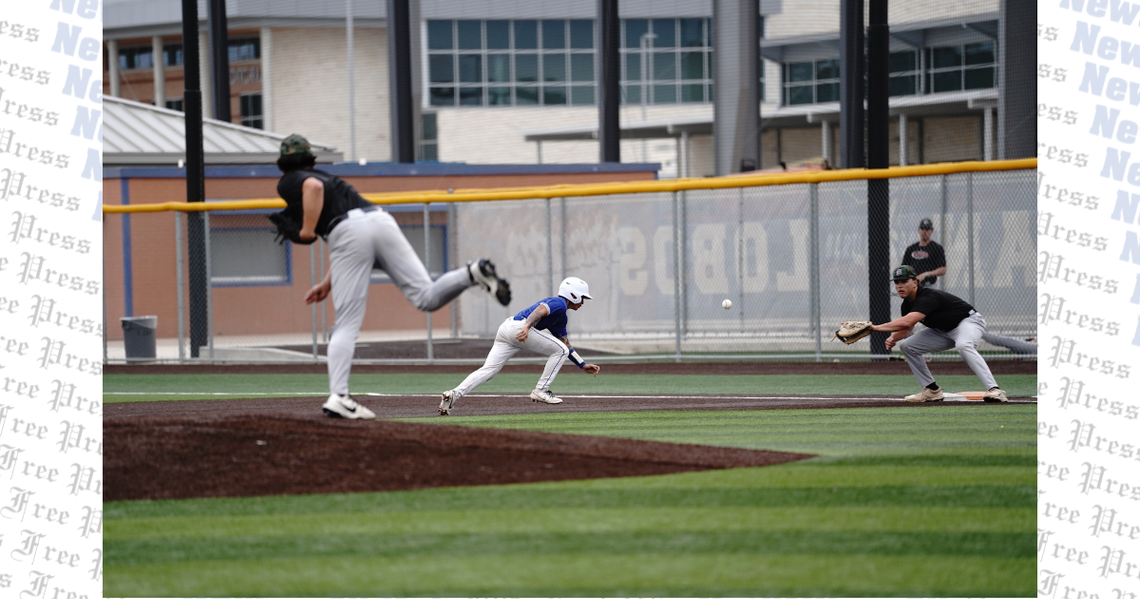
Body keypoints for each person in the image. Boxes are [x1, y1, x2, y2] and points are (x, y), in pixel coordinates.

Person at [274, 134, 512, 420]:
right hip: (378, 220)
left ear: (283, 163)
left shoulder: (291, 179)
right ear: (310, 159)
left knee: (346, 322)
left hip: (348, 233)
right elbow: (350, 234)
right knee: (426, 296)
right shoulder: (326, 177)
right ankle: (472, 273)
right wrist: (327, 283)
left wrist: (306, 230)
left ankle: (339, 397)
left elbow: (315, 195)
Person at [438, 277, 601, 415]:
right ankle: (541, 390)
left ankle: (453, 395)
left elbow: (565, 342)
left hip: (507, 329)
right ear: (572, 295)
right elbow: (541, 309)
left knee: (488, 370)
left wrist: (582, 364)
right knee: (560, 351)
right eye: (582, 297)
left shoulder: (560, 317)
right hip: (519, 328)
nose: (583, 302)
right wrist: (526, 326)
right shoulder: (559, 303)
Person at [870, 265, 1008, 403]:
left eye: (904, 281)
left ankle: (995, 390)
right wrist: (894, 337)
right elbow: (907, 329)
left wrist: (875, 328)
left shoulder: (928, 297)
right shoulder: (907, 305)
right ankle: (932, 390)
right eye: (897, 282)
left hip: (967, 322)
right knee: (907, 346)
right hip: (943, 330)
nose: (899, 286)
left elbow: (906, 322)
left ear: (915, 282)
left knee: (963, 345)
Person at [902, 218, 946, 287]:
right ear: (919, 230)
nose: (924, 232)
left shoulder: (936, 248)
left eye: (927, 229)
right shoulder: (911, 249)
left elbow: (942, 270)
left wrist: (926, 274)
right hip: (913, 286)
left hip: (929, 285)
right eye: (922, 229)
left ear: (931, 231)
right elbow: (903, 268)